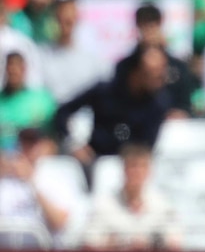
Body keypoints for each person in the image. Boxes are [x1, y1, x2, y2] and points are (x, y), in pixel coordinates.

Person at [53, 44, 172, 177]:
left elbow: (146, 146)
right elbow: (63, 112)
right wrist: (73, 144)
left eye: (161, 71)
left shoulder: (158, 104)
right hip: (94, 163)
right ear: (136, 71)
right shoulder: (105, 92)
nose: (159, 78)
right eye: (152, 72)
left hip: (131, 170)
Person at [82, 142, 181, 251]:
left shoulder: (162, 204)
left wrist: (149, 243)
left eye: (142, 166)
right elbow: (89, 243)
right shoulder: (105, 204)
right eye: (133, 166)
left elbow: (175, 243)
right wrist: (121, 243)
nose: (137, 172)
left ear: (149, 171)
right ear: (124, 169)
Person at [114, 3, 195, 118]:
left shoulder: (178, 67)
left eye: (152, 26)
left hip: (172, 130)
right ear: (138, 27)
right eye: (144, 26)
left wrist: (180, 113)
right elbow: (119, 104)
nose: (149, 32)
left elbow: (185, 105)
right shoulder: (125, 68)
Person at [0, 51, 55, 153]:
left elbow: (53, 136)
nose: (13, 72)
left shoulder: (42, 99)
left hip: (35, 157)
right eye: (10, 67)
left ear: (24, 69)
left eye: (17, 67)